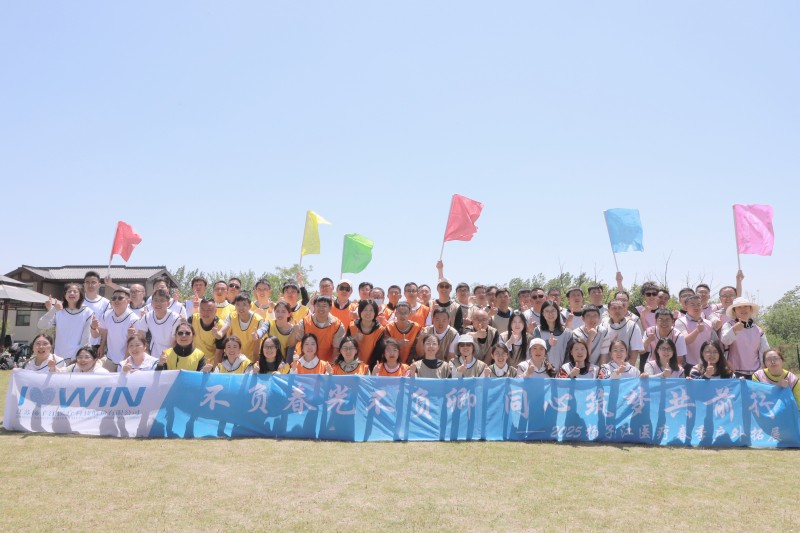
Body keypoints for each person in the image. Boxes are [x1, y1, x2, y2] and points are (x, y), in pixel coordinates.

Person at [38, 283, 95, 364]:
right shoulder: (58, 311)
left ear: (80, 295)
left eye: (75, 291)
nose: (72, 293)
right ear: (65, 295)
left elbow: (85, 339)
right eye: (69, 291)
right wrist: (53, 310)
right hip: (58, 358)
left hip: (77, 359)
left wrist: (75, 357)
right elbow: (41, 325)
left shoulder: (88, 312)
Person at [721, 297, 769, 378]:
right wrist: (734, 330)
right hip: (734, 372)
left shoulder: (758, 330)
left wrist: (763, 370)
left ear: (750, 309)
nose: (743, 309)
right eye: (739, 307)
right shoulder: (728, 325)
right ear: (734, 311)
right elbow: (725, 341)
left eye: (746, 306)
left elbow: (764, 351)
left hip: (756, 372)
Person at [290, 295, 345, 363]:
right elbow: (292, 343)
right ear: (314, 307)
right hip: (305, 363)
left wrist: (332, 366)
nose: (321, 308)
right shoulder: (304, 322)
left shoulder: (338, 325)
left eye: (324, 306)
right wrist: (294, 332)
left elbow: (336, 350)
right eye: (318, 305)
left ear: (330, 308)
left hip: (327, 364)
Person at [97, 288, 140, 372]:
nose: (116, 300)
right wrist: (102, 346)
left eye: (120, 298)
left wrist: (126, 360)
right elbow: (105, 331)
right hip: (110, 358)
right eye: (114, 298)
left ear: (128, 301)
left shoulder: (134, 319)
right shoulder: (106, 314)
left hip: (127, 360)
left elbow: (134, 343)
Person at [134, 289, 183, 361]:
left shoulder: (175, 318)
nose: (158, 303)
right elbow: (140, 335)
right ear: (151, 303)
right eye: (156, 300)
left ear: (168, 303)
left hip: (172, 354)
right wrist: (146, 353)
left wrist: (170, 359)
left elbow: (174, 342)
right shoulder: (147, 316)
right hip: (154, 353)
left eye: (162, 300)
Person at [674, 295, 717, 375]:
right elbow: (685, 341)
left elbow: (715, 343)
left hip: (707, 365)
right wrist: (697, 331)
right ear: (686, 307)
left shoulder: (708, 323)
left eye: (698, 304)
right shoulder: (680, 322)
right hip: (688, 364)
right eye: (692, 304)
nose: (696, 307)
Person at [215, 294, 264, 363]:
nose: (241, 308)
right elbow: (221, 333)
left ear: (250, 306)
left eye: (244, 304)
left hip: (251, 360)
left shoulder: (259, 320)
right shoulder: (231, 316)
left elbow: (257, 348)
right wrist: (217, 334)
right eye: (238, 305)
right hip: (234, 359)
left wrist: (254, 364)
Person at [532, 300, 572, 369]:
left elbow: (569, 355)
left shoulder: (568, 333)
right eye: (547, 311)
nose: (550, 314)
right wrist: (548, 344)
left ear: (558, 312)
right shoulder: (537, 331)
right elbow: (535, 353)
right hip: (542, 371)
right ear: (543, 313)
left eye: (553, 311)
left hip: (563, 372)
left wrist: (563, 371)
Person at [604, 298, 644, 365]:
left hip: (626, 365)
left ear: (624, 310)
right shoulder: (603, 325)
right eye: (614, 308)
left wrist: (629, 368)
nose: (617, 311)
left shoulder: (632, 326)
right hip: (607, 366)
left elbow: (635, 350)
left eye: (620, 308)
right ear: (608, 311)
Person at [348, 299, 385, 368]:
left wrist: (368, 370)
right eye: (365, 310)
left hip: (370, 367)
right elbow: (345, 348)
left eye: (371, 310)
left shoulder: (380, 330)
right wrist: (353, 340)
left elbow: (378, 354)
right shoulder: (352, 326)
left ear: (375, 313)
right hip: (351, 365)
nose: (368, 313)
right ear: (360, 311)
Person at [188, 298, 225, 365]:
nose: (205, 313)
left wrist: (215, 369)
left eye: (209, 310)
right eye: (202, 309)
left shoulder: (220, 326)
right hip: (192, 361)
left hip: (210, 364)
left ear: (215, 311)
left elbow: (219, 352)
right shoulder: (193, 319)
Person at [81, 271, 110, 349]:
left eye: (93, 282)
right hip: (78, 344)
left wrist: (102, 346)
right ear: (84, 284)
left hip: (95, 345)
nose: (90, 285)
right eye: (87, 282)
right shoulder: (77, 301)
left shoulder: (106, 303)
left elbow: (105, 327)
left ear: (99, 285)